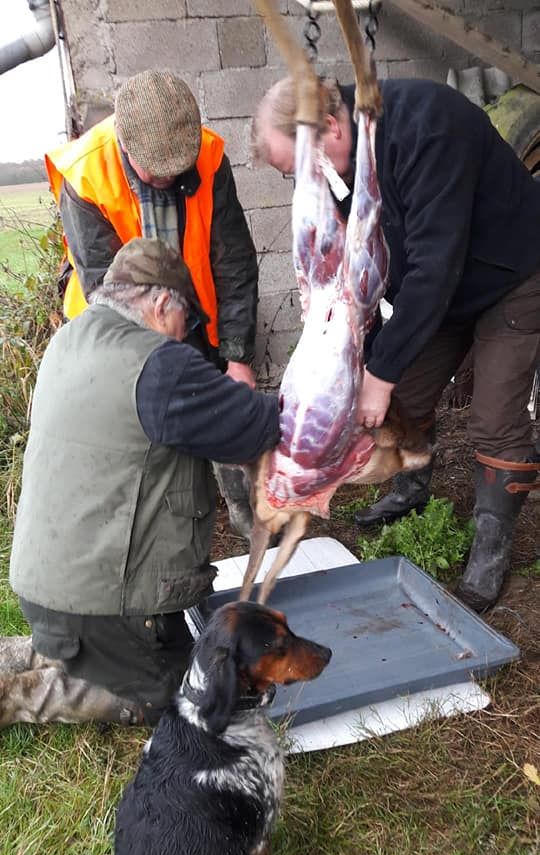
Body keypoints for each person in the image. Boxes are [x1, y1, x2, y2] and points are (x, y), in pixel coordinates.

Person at [252, 75, 540, 611]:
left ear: (331, 127)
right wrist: (361, 355)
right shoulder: (344, 160)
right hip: (440, 289)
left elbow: (436, 262)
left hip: (513, 273)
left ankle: (490, 552)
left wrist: (377, 375)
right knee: (398, 394)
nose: (305, 185)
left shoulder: (428, 126)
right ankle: (411, 486)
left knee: (494, 418)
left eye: (301, 167)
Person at [5, 238, 280, 728]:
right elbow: (258, 428)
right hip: (103, 603)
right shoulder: (158, 366)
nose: (185, 335)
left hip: (44, 585)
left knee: (92, 649)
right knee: (189, 693)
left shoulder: (70, 340)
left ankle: (39, 653)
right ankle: (17, 697)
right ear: (160, 304)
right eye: (187, 321)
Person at [45, 68, 257, 537]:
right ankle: (148, 538)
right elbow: (110, 293)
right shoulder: (85, 176)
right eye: (154, 170)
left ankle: (249, 519)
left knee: (226, 413)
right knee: (142, 441)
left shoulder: (206, 155)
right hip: (115, 326)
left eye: (176, 170)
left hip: (191, 312)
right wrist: (159, 377)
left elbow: (234, 261)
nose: (167, 178)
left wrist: (237, 357)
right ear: (125, 145)